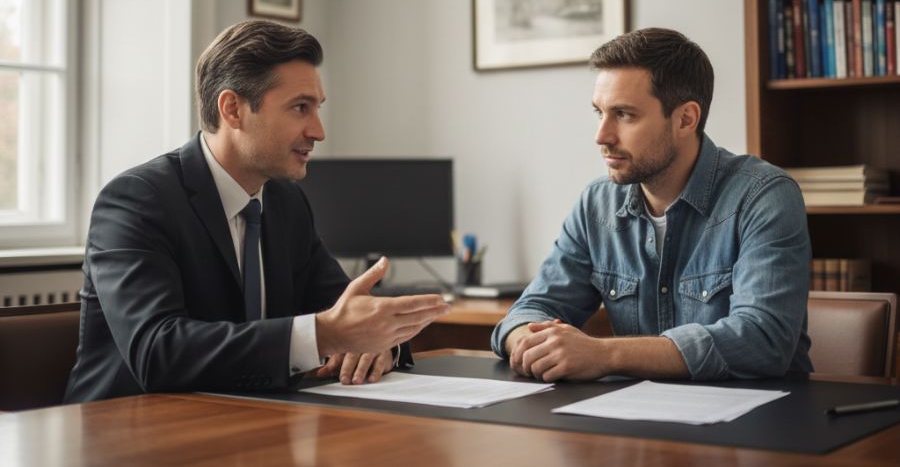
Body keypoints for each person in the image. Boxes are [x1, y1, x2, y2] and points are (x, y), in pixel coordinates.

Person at [64, 20, 449, 403]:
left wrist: (378, 343)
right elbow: (156, 353)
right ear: (233, 109)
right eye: (300, 107)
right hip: (123, 437)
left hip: (244, 425)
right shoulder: (137, 200)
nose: (318, 131)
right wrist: (326, 335)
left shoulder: (286, 202)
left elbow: (343, 310)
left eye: (317, 109)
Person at [492, 28, 812, 382]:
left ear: (685, 119)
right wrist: (526, 339)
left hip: (762, 423)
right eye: (599, 112)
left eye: (624, 115)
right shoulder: (596, 204)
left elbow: (762, 340)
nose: (602, 136)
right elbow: (531, 310)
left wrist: (605, 354)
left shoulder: (763, 195)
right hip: (636, 421)